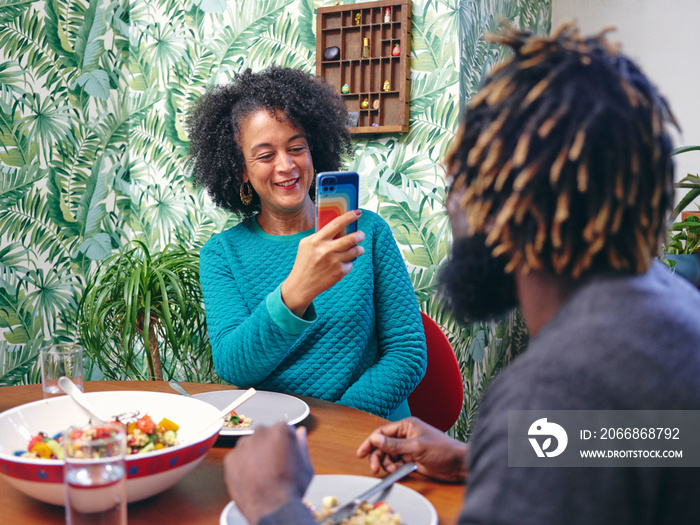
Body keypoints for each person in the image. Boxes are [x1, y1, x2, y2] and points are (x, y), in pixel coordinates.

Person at [221, 23, 700, 524]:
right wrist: (479, 458)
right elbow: (658, 442)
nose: (452, 202)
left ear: (512, 205)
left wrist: (273, 506)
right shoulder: (676, 309)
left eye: (465, 176)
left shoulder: (552, 386)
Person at [188, 66, 427, 420]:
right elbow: (234, 367)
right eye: (266, 155)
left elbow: (407, 354)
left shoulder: (368, 232)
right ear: (242, 170)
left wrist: (333, 425)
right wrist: (295, 291)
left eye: (296, 147)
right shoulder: (221, 255)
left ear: (314, 150)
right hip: (277, 440)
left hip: (367, 434)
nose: (286, 166)